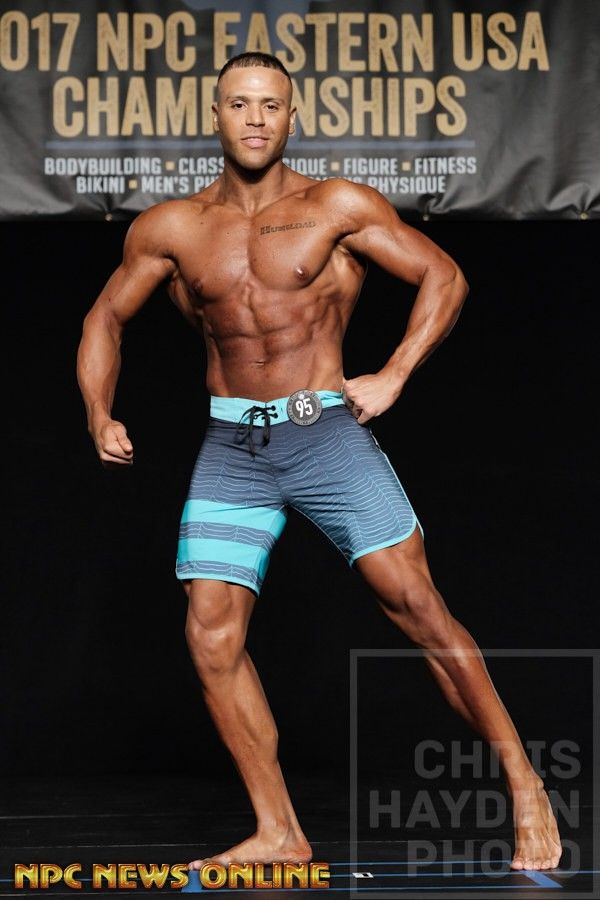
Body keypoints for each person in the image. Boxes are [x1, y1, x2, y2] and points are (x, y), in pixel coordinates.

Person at [76, 52, 562, 872]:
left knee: (417, 607)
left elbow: (442, 275)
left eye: (271, 105)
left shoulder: (334, 206)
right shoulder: (173, 228)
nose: (255, 118)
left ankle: (524, 785)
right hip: (233, 447)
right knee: (210, 635)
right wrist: (98, 411)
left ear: (292, 117)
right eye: (240, 103)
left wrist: (395, 373)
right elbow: (104, 319)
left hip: (325, 436)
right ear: (216, 115)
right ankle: (279, 831)